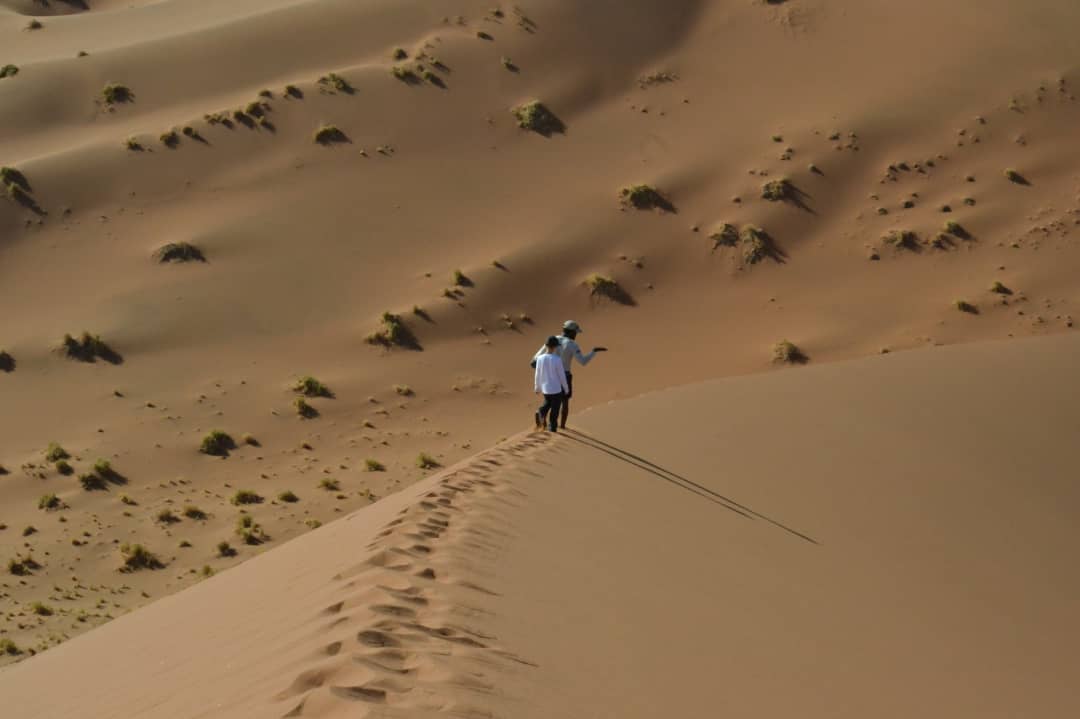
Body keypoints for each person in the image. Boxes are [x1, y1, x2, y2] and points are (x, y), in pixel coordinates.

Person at [531, 320, 607, 429]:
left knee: (548, 400)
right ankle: (561, 426)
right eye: (575, 333)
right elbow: (583, 361)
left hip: (549, 375)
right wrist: (593, 352)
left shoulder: (553, 340)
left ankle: (541, 415)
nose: (576, 335)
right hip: (564, 375)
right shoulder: (572, 345)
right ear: (571, 332)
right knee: (564, 402)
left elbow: (535, 360)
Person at [534, 336, 570, 432]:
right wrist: (566, 388)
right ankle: (552, 426)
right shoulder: (557, 359)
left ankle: (541, 411)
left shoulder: (540, 359)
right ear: (554, 347)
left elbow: (537, 374)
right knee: (555, 409)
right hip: (556, 389)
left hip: (546, 388)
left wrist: (537, 387)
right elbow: (562, 375)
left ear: (546, 346)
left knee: (547, 403)